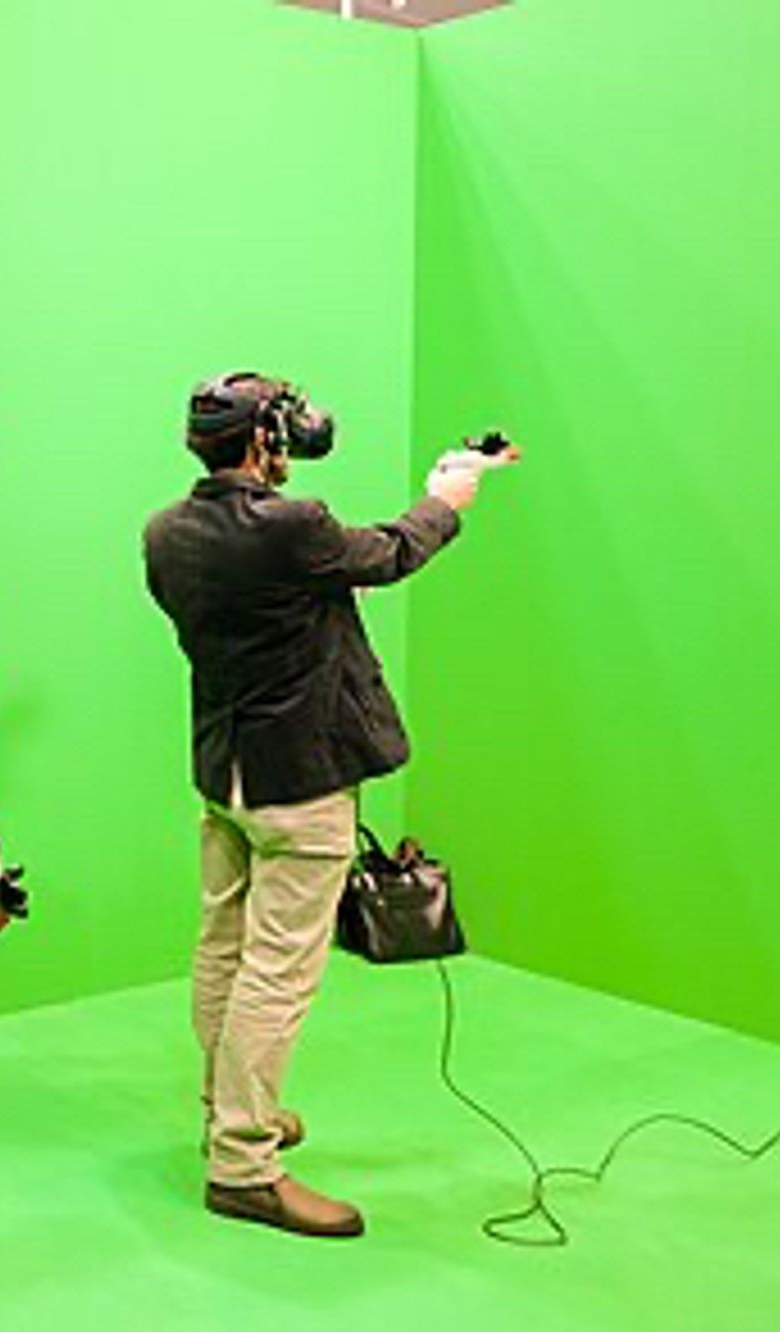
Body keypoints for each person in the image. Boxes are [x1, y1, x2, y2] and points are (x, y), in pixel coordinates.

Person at [143, 371, 499, 1238]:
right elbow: (390, 552)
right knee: (278, 974)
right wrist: (448, 497)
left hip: (225, 775)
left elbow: (292, 594)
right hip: (298, 784)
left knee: (223, 949)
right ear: (263, 441)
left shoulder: (167, 532)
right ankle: (243, 1166)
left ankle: (226, 1108)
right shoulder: (294, 529)